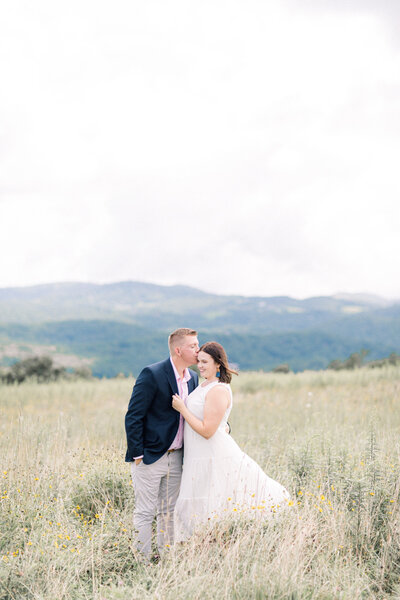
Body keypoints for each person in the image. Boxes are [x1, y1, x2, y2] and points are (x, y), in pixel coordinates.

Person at [172, 341, 290, 542]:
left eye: (205, 362)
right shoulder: (204, 385)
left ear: (218, 364)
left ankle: (222, 541)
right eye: (199, 361)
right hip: (197, 454)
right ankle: (199, 545)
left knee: (217, 499)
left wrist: (183, 409)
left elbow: (207, 431)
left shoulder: (218, 389)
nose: (200, 366)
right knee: (196, 502)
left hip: (211, 451)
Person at [125, 328, 199, 559]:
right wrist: (138, 453)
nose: (198, 349)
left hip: (177, 457)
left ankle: (165, 559)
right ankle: (142, 561)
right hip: (149, 456)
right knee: (145, 512)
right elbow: (134, 415)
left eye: (198, 345)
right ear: (178, 350)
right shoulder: (152, 373)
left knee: (169, 512)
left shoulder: (194, 378)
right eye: (193, 346)